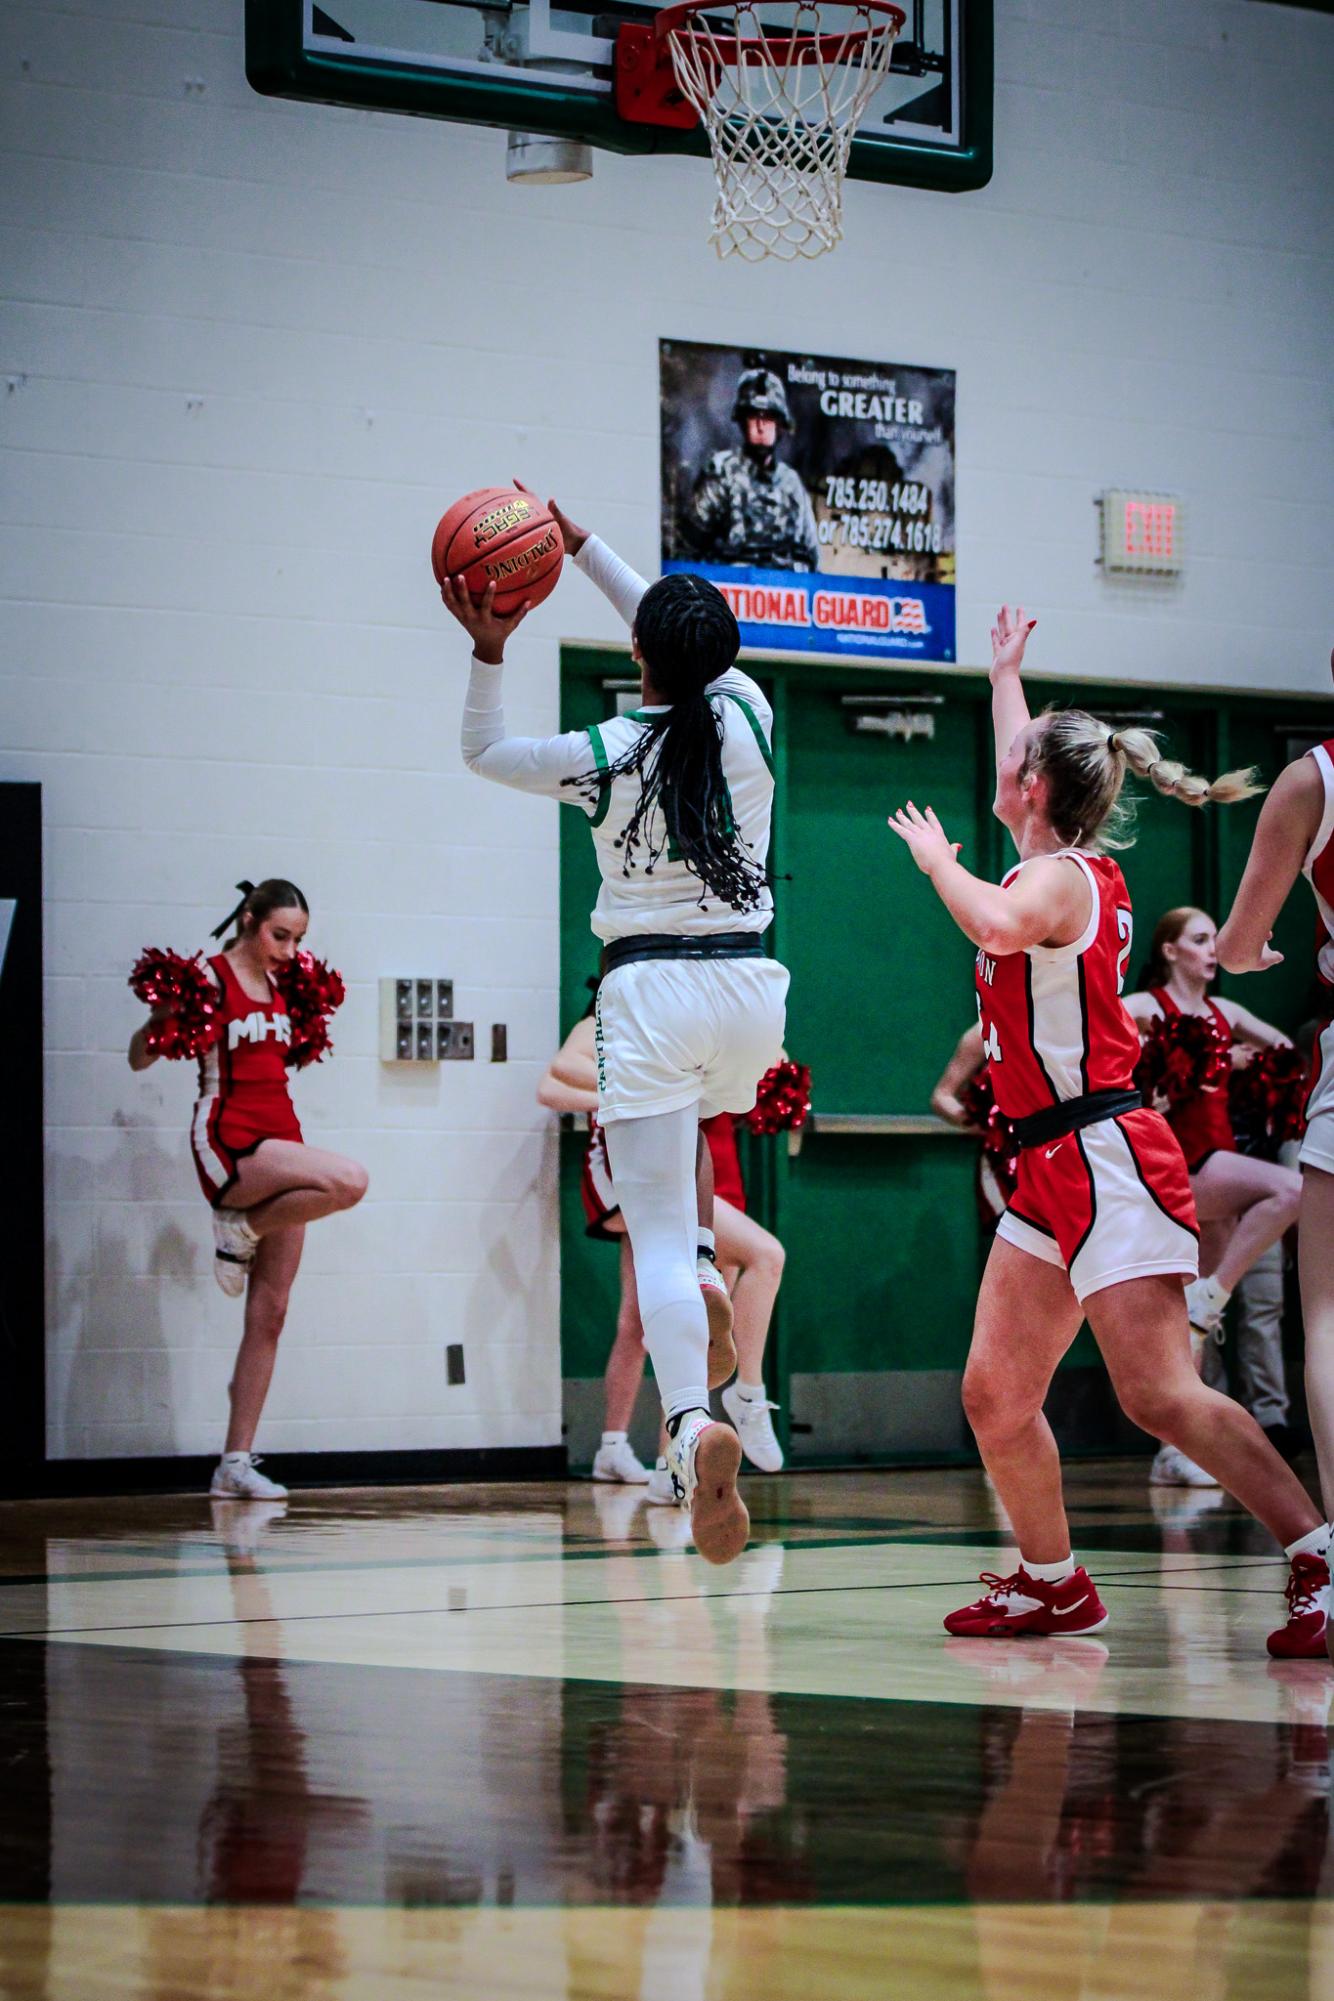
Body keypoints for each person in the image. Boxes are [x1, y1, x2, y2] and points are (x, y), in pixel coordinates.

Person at [887, 604, 1328, 1657]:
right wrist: (1003, 676)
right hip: (1047, 1160)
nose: (999, 770)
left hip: (1101, 1153)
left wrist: (934, 861)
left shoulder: (1046, 882)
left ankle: (1316, 1556)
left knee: (1159, 1395)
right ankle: (1049, 1582)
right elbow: (1019, 759)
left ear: (1031, 790)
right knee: (995, 1394)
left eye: (1013, 764)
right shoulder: (1053, 858)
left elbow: (990, 921)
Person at [444, 491, 788, 1564]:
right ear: (718, 654)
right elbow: (677, 631)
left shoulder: (601, 748)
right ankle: (702, 1277)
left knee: (650, 1238)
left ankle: (687, 1429)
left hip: (646, 998)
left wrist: (490, 643)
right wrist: (591, 549)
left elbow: (483, 749)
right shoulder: (749, 713)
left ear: (636, 654)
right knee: (688, 1210)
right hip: (750, 997)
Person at [128, 880, 368, 1500]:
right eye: (279, 935)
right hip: (228, 1136)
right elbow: (138, 1058)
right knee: (349, 1180)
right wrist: (161, 1021)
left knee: (272, 1311)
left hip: (280, 1130)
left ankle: (234, 1463)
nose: (289, 948)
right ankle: (240, 1224)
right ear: (249, 920)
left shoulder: (292, 984)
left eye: (298, 939)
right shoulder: (205, 978)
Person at [539, 1011, 788, 1490]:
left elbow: (775, 1068)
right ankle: (744, 1397)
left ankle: (670, 1464)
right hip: (653, 1163)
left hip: (712, 1168)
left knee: (677, 1322)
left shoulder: (717, 1010)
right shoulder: (617, 1014)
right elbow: (556, 1078)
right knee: (755, 1261)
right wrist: (642, 1091)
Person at [1218, 677, 1334, 1661]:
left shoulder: (1311, 778)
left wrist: (1243, 953)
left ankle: (1329, 1577)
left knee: (1326, 1317)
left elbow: (1239, 944)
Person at [1123, 908, 1301, 1486]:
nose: (1212, 949)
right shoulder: (1148, 1008)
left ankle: (1174, 1453)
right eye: (1200, 939)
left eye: (1215, 939)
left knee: (1187, 1328)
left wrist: (1242, 1062)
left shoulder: (1227, 1013)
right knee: (1290, 1188)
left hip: (1218, 1167)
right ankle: (1216, 1294)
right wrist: (1144, 1085)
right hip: (1182, 1167)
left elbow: (1286, 1053)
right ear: (1171, 951)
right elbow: (1096, 1039)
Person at [686, 369, 819, 572]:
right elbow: (690, 545)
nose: (760, 425)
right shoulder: (722, 471)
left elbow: (811, 555)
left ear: (780, 424)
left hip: (785, 593)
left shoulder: (791, 484)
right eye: (753, 416)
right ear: (742, 422)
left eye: (768, 417)